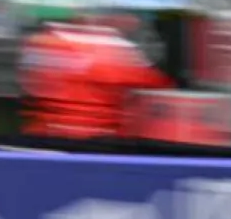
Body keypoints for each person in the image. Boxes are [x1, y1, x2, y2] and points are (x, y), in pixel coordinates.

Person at [17, 13, 174, 140]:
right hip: (95, 140)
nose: (133, 20)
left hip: (44, 134)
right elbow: (158, 86)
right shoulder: (111, 46)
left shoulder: (42, 41)